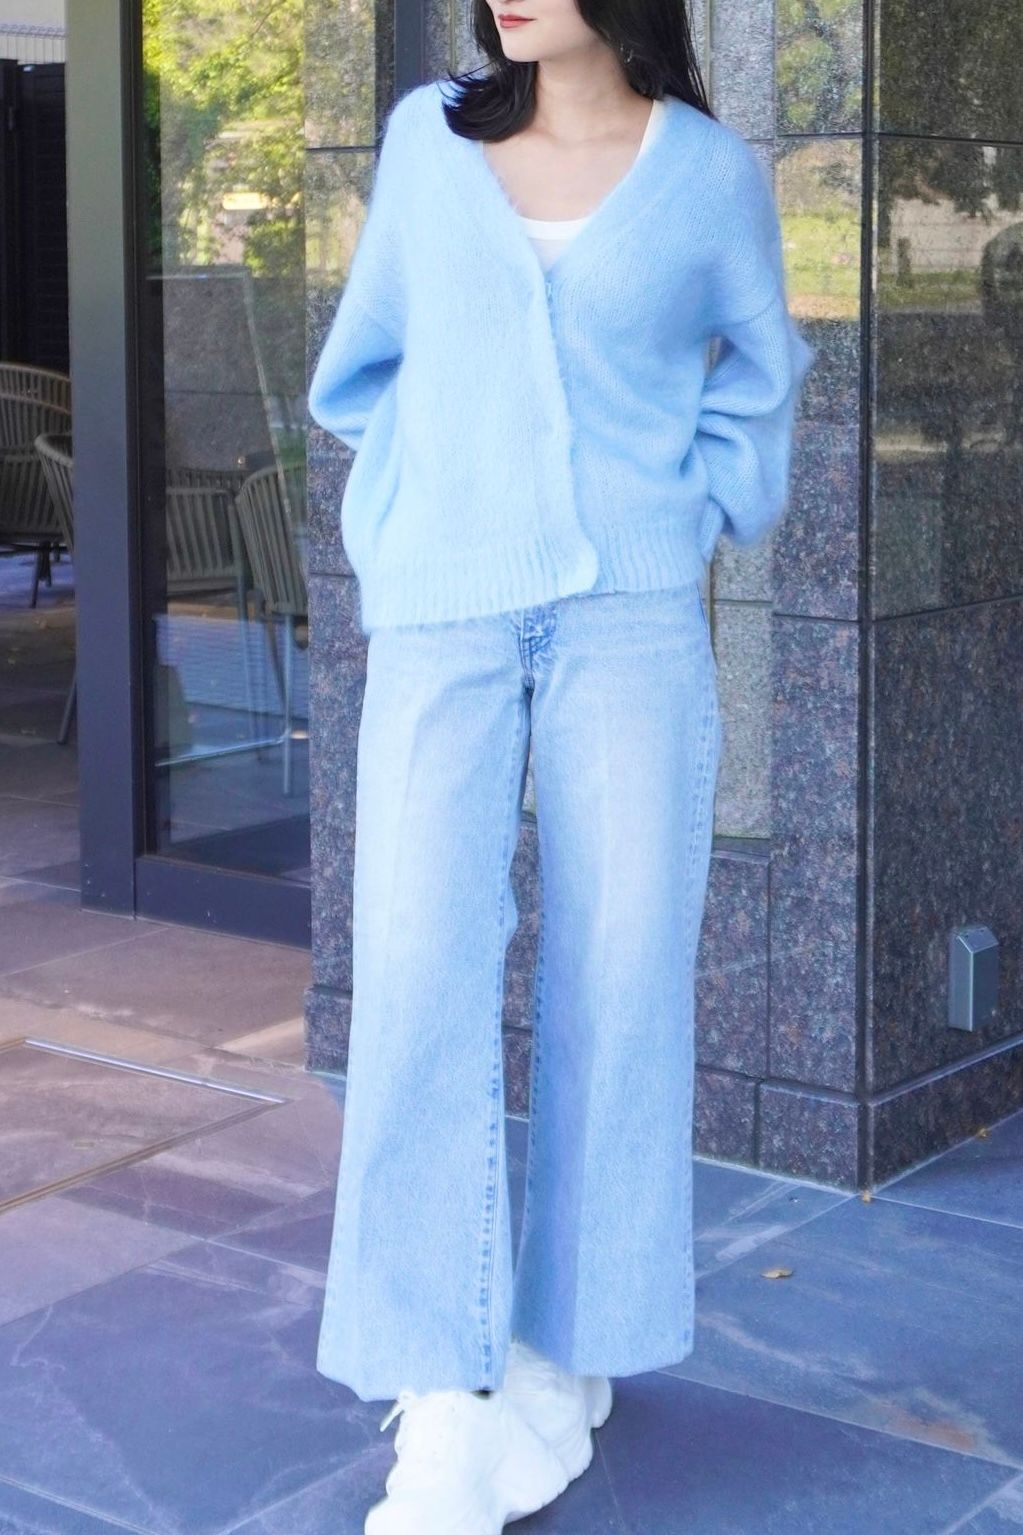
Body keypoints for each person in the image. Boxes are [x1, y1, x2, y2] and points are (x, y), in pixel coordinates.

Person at [307, 0, 816, 1529]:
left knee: (619, 973)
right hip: (445, 616)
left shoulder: (707, 177)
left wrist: (685, 516)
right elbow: (363, 371)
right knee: (418, 968)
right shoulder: (427, 145)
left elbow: (761, 379)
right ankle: (440, 1392)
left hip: (632, 621)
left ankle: (568, 1349)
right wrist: (408, 525)